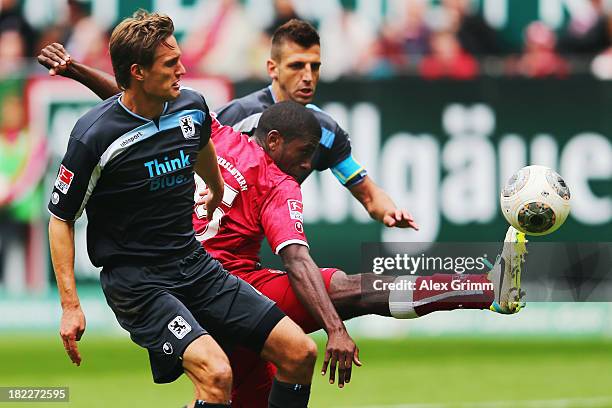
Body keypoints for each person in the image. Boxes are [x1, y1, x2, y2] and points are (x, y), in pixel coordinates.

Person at [47, 11, 319, 408]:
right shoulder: (94, 136)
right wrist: (70, 306)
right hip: (138, 283)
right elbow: (60, 219)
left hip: (194, 264)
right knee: (217, 373)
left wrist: (215, 186)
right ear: (138, 72)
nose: (183, 69)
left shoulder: (190, 106)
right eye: (171, 63)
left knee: (300, 353)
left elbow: (202, 142)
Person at [37, 19, 419, 230]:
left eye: (314, 67)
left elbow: (367, 192)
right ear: (272, 68)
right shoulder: (239, 116)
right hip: (209, 238)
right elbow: (138, 104)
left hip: (260, 240)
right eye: (297, 66)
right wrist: (75, 70)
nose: (307, 76)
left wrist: (388, 211)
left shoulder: (326, 130)